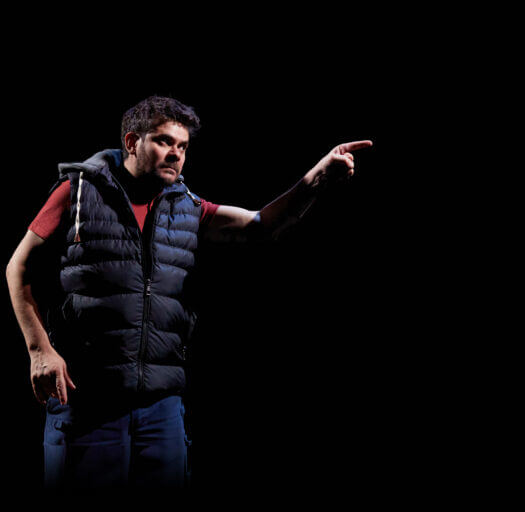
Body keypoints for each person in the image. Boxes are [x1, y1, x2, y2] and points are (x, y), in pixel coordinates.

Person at [5, 96, 372, 489]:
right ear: (132, 142)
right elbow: (18, 266)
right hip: (88, 402)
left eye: (182, 146)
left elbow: (261, 225)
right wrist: (39, 349)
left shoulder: (187, 207)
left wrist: (316, 179)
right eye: (164, 141)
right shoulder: (78, 193)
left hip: (161, 408)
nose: (175, 154)